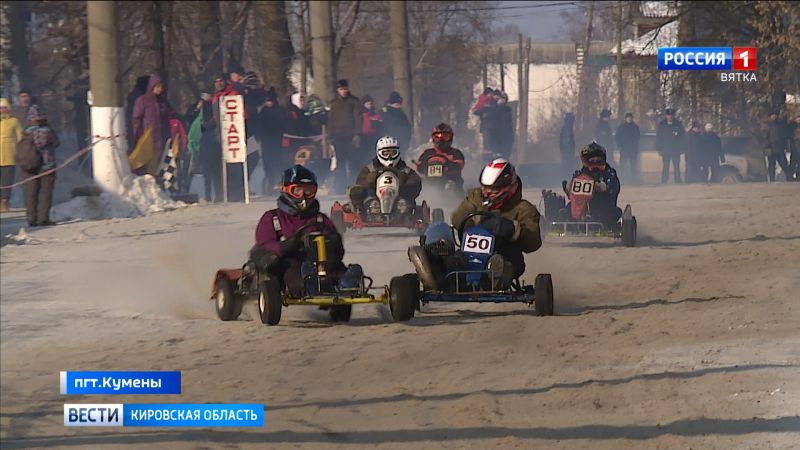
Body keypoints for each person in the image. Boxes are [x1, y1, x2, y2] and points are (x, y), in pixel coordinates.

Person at [250, 165, 362, 298]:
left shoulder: (320, 219)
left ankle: (345, 288)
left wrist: (333, 241)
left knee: (350, 270)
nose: (303, 196)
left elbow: (339, 253)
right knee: (296, 272)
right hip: (289, 263)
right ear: (286, 190)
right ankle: (310, 287)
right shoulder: (273, 218)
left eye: (308, 191)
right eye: (297, 190)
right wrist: (290, 243)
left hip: (323, 264)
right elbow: (263, 245)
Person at [451, 158, 542, 287]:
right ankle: (445, 271)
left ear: (510, 187)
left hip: (504, 252)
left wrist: (513, 229)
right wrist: (475, 220)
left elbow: (534, 242)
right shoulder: (476, 198)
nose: (487, 192)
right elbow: (456, 220)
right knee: (446, 242)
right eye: (485, 187)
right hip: (471, 252)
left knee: (509, 257)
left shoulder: (524, 209)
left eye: (493, 189)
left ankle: (497, 273)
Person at [348, 135, 422, 215]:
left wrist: (402, 182)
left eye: (393, 153)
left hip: (399, 200)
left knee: (406, 200)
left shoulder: (406, 171)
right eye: (386, 153)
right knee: (360, 193)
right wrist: (369, 180)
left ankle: (401, 209)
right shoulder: (369, 169)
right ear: (379, 153)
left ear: (398, 153)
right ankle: (373, 207)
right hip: (373, 199)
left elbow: (415, 187)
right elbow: (359, 185)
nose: (389, 157)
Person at [21, 105, 59, 227]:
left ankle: (31, 219)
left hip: (29, 166)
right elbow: (57, 143)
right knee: (45, 192)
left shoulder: (26, 132)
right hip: (46, 165)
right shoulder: (47, 131)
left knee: (30, 193)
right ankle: (43, 218)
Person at [132, 74, 173, 174]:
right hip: (146, 136)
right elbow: (136, 118)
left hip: (160, 136)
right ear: (152, 86)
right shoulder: (143, 100)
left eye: (161, 87)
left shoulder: (162, 102)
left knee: (158, 160)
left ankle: (155, 181)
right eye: (157, 86)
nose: (160, 89)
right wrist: (138, 134)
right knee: (145, 160)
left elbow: (168, 116)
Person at [328, 79, 362, 194]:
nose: (343, 91)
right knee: (340, 163)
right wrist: (330, 136)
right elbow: (330, 120)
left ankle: (353, 186)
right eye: (341, 89)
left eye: (345, 89)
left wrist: (357, 134)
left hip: (351, 137)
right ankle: (340, 187)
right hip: (338, 137)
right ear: (337, 90)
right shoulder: (334, 103)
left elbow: (358, 118)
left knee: (353, 163)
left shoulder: (354, 101)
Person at [415, 123, 466, 195]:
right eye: (437, 137)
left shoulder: (455, 153)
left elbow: (458, 166)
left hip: (451, 185)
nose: (441, 140)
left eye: (445, 137)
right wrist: (425, 166)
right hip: (430, 185)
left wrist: (445, 163)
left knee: (453, 185)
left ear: (450, 138)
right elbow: (420, 167)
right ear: (433, 138)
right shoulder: (428, 153)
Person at [257, 88, 287, 194]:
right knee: (268, 165)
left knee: (277, 164)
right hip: (266, 142)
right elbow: (259, 125)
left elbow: (283, 125)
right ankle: (269, 185)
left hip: (277, 141)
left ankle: (277, 185)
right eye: (267, 101)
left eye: (270, 101)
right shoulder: (263, 111)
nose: (269, 103)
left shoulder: (279, 111)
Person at [1, 98, 23, 212]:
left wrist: (19, 151)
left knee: (7, 181)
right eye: (1, 108)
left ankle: (4, 202)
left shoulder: (14, 121)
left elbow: (20, 138)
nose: (2, 110)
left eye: (4, 107)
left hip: (9, 157)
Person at [482, 91, 515, 160]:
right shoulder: (491, 108)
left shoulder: (507, 109)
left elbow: (508, 122)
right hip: (496, 138)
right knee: (497, 156)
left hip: (506, 138)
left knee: (506, 155)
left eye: (504, 99)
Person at [379, 91, 412, 158]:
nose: (399, 105)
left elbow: (407, 126)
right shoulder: (387, 113)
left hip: (402, 140)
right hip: (391, 141)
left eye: (399, 104)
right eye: (397, 104)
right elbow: (385, 126)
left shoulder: (400, 112)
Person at [656, 108, 685, 184]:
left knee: (676, 166)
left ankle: (677, 179)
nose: (670, 117)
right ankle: (664, 180)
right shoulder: (662, 124)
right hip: (665, 149)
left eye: (671, 115)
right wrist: (659, 148)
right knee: (665, 165)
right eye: (668, 115)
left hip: (676, 149)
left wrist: (682, 148)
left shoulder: (678, 124)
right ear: (666, 116)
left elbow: (682, 137)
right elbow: (659, 137)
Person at [615, 112, 640, 183]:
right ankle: (621, 180)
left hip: (633, 149)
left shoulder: (635, 127)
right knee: (622, 165)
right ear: (625, 118)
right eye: (628, 118)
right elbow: (617, 137)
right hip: (624, 149)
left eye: (630, 118)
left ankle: (633, 180)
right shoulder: (621, 127)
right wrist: (620, 146)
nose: (629, 119)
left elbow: (638, 137)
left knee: (633, 166)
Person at [765, 111, 790, 182]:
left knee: (784, 163)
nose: (774, 116)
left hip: (779, 147)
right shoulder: (766, 125)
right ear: (769, 116)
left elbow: (783, 136)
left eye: (775, 115)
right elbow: (764, 137)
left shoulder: (779, 124)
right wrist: (767, 146)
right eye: (772, 115)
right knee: (772, 165)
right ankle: (772, 179)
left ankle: (789, 177)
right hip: (771, 148)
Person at [359, 95, 382, 165]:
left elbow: (380, 125)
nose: (369, 106)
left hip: (373, 137)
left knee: (373, 155)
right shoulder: (361, 115)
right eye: (367, 104)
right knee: (364, 155)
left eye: (370, 104)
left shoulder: (375, 114)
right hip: (364, 137)